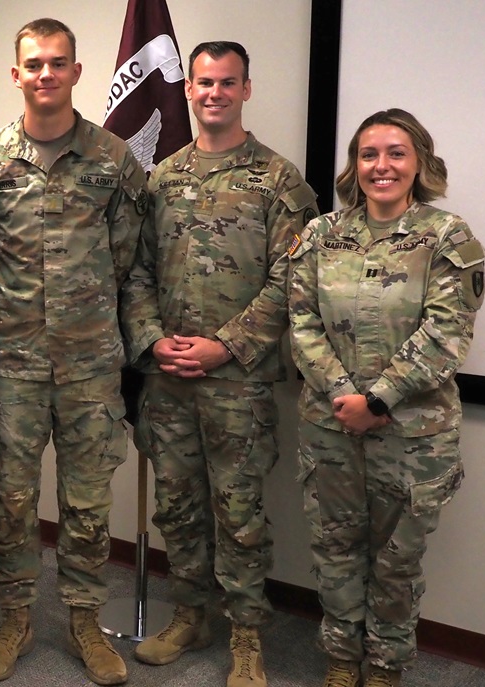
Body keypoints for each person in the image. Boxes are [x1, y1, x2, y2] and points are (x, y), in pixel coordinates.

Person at [0, 18, 148, 686]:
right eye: (32, 64)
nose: (44, 74)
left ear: (75, 73)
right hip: (12, 367)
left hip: (91, 366)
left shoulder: (113, 160)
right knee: (9, 501)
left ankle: (85, 620)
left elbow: (126, 261)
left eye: (57, 63)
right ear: (16, 74)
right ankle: (14, 616)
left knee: (88, 505)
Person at [120, 41, 318, 687]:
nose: (213, 93)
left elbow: (292, 279)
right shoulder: (161, 178)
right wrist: (151, 339)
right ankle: (189, 615)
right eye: (203, 82)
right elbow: (136, 270)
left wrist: (226, 344)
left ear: (245, 90)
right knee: (176, 508)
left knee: (237, 514)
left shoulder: (279, 180)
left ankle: (245, 635)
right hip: (168, 378)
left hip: (237, 383)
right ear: (188, 89)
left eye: (226, 83)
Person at [289, 108, 485, 687]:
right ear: (354, 165)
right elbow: (301, 322)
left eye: (396, 153)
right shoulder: (322, 236)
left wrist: (376, 401)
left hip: (414, 436)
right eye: (369, 154)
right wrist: (344, 395)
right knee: (335, 548)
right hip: (330, 425)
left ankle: (385, 665)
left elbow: (448, 331)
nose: (382, 166)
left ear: (419, 161)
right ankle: (342, 658)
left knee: (397, 561)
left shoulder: (448, 237)